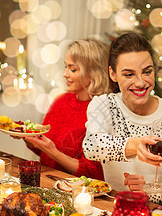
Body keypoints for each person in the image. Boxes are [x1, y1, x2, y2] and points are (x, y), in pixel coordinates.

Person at [83, 32, 162, 204]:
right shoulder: (104, 104)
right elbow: (91, 146)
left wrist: (147, 191)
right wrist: (135, 145)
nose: (140, 83)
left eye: (147, 72)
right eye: (129, 74)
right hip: (110, 210)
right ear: (113, 74)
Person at [23, 38, 109, 180]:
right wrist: (27, 138)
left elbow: (93, 173)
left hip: (75, 193)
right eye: (66, 67)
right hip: (46, 181)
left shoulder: (101, 111)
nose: (65, 74)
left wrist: (53, 152)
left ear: (93, 72)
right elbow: (45, 153)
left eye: (73, 69)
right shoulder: (61, 101)